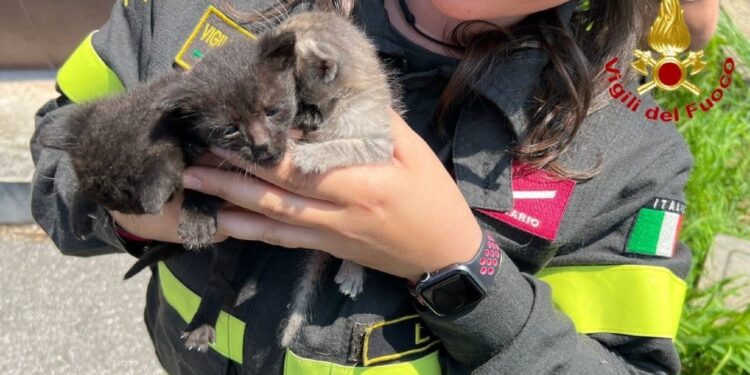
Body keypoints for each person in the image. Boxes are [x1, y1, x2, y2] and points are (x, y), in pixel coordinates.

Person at [30, 0, 694, 373]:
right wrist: (127, 209)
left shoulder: (628, 147)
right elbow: (56, 149)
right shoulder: (198, 10)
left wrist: (464, 269)